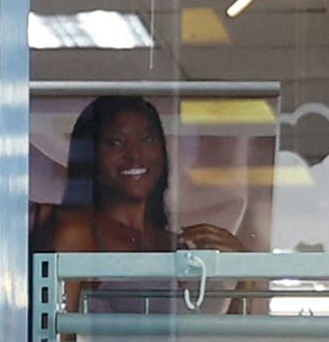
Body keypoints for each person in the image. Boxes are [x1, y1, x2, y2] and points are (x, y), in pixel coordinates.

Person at [43, 92, 239, 259]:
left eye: (147, 139)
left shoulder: (177, 245)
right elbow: (56, 304)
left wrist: (245, 272)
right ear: (89, 155)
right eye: (116, 143)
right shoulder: (78, 233)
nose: (135, 155)